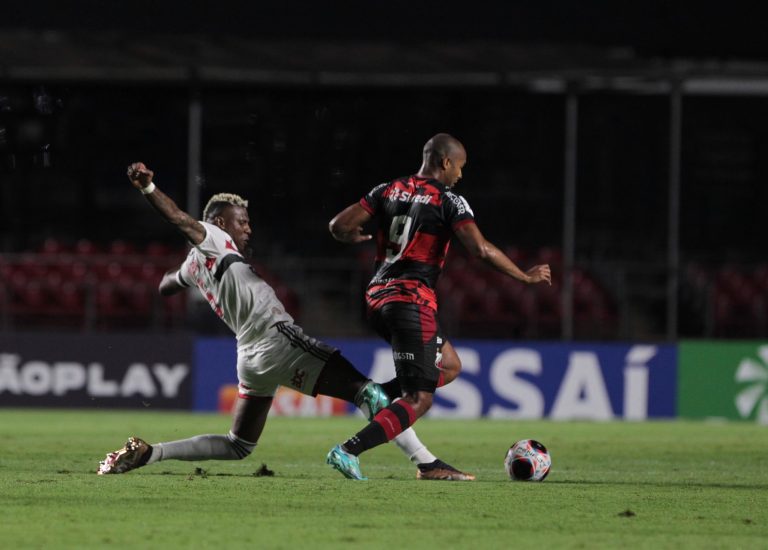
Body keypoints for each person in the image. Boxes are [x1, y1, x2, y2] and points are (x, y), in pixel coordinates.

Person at [97, 161, 474, 481]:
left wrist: (177, 279)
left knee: (238, 444)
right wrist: (149, 187)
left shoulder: (196, 262)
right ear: (216, 221)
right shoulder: (210, 235)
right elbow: (180, 219)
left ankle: (151, 453)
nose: (248, 228)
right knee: (369, 394)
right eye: (240, 221)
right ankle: (426, 462)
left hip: (250, 356)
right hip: (279, 341)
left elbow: (167, 285)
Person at [326, 133, 551, 480]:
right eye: (460, 167)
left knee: (448, 365)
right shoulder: (449, 200)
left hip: (376, 298)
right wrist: (524, 276)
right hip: (410, 300)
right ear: (446, 163)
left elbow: (339, 226)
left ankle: (377, 396)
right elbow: (480, 250)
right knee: (419, 399)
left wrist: (351, 236)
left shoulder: (387, 188)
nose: (460, 175)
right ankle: (348, 450)